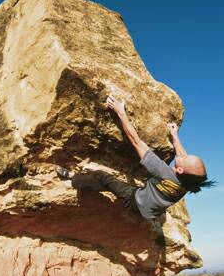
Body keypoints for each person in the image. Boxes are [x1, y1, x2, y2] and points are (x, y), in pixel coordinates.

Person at [56, 94, 214, 221]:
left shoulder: (163, 172)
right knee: (118, 185)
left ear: (179, 170)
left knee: (102, 177)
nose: (184, 155)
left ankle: (72, 179)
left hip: (136, 201)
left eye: (186, 159)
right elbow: (182, 156)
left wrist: (120, 112)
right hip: (151, 211)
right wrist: (174, 136)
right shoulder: (190, 183)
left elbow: (135, 141)